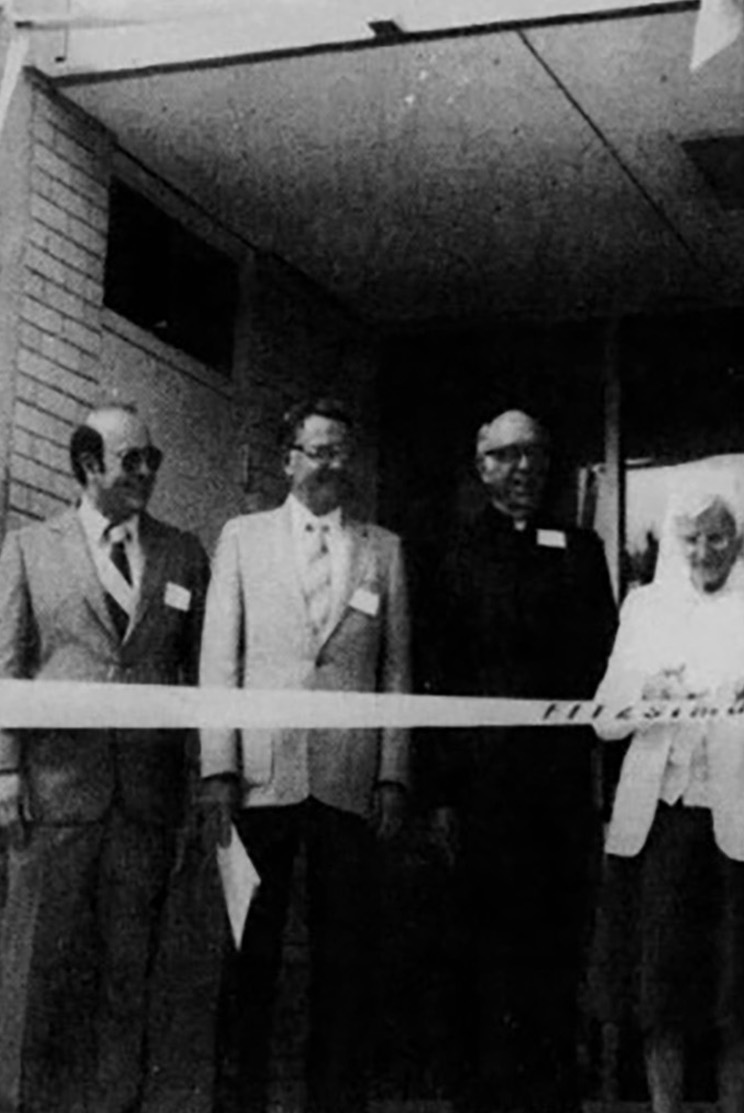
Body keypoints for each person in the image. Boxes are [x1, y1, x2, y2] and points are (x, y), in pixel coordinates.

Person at [197, 397, 413, 1113]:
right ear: (289, 458)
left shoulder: (383, 549)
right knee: (248, 955)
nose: (330, 464)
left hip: (349, 782)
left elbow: (395, 673)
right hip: (258, 781)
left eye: (341, 452)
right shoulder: (242, 537)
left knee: (342, 961)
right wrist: (218, 767)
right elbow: (218, 659)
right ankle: (243, 1102)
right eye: (317, 450)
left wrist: (391, 772)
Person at [0, 405, 208, 1113]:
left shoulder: (184, 554)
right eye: (132, 460)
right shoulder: (29, 548)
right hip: (54, 796)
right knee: (36, 975)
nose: (147, 472)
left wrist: (195, 786)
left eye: (153, 458)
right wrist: (4, 772)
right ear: (90, 465)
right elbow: (8, 670)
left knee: (127, 977)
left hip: (145, 802)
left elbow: (197, 685)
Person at [590, 468, 744, 1113]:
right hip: (659, 825)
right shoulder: (644, 608)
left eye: (718, 538)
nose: (705, 553)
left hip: (739, 827)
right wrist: (646, 700)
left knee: (736, 1002)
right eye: (691, 540)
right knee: (659, 1000)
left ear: (736, 537)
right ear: (673, 541)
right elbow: (605, 718)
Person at [422, 408, 617, 1112]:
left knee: (555, 951)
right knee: (479, 954)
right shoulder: (451, 551)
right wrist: (440, 795)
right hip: (479, 794)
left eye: (535, 453)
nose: (525, 468)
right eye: (508, 456)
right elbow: (434, 676)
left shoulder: (582, 548)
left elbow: (606, 661)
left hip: (559, 792)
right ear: (482, 467)